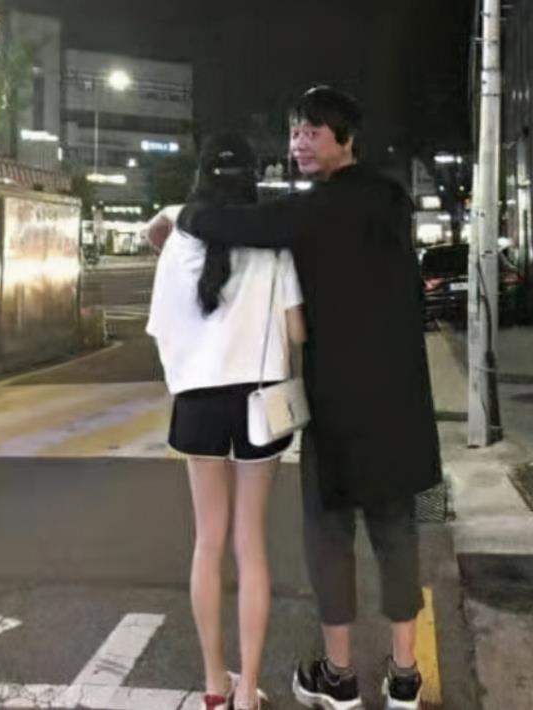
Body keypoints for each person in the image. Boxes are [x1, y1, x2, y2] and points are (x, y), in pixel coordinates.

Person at [171, 87, 442, 710]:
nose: (298, 143)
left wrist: (183, 214)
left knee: (329, 536)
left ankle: (339, 676)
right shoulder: (392, 200)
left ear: (346, 139)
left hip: (338, 405)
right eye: (295, 132)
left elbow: (237, 224)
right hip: (403, 404)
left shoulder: (314, 211)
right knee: (398, 534)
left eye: (313, 132)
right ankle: (404, 676)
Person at [146, 133, 306, 710]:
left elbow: (160, 325)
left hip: (197, 401)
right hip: (259, 400)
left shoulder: (178, 243)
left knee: (207, 541)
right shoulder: (272, 248)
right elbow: (296, 333)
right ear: (252, 181)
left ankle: (216, 685)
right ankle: (248, 694)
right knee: (250, 544)